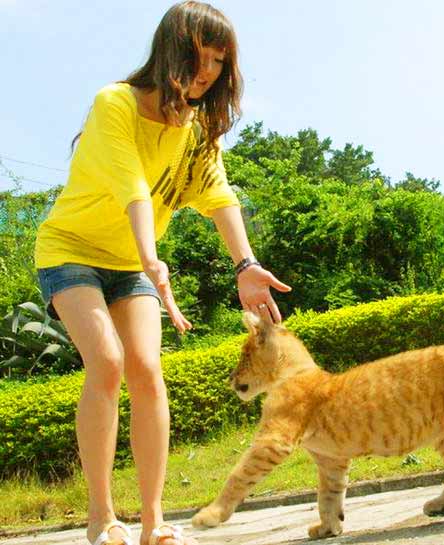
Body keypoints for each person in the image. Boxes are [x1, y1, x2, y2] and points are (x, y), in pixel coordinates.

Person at [34, 2, 291, 545]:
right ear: (172, 50)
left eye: (221, 61)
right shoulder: (116, 104)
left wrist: (245, 265)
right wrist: (153, 260)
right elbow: (132, 187)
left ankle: (153, 522)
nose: (209, 72)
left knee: (148, 370)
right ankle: (101, 518)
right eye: (201, 56)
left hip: (132, 264)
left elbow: (218, 195)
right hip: (71, 250)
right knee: (106, 362)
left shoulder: (198, 130)